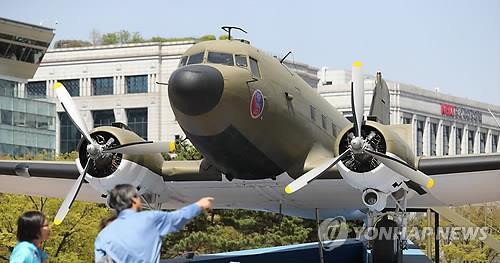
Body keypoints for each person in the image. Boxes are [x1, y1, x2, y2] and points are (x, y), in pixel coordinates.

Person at [94, 184, 213, 263]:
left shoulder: (103, 236)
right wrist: (199, 205)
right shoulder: (151, 219)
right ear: (134, 200)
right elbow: (178, 218)